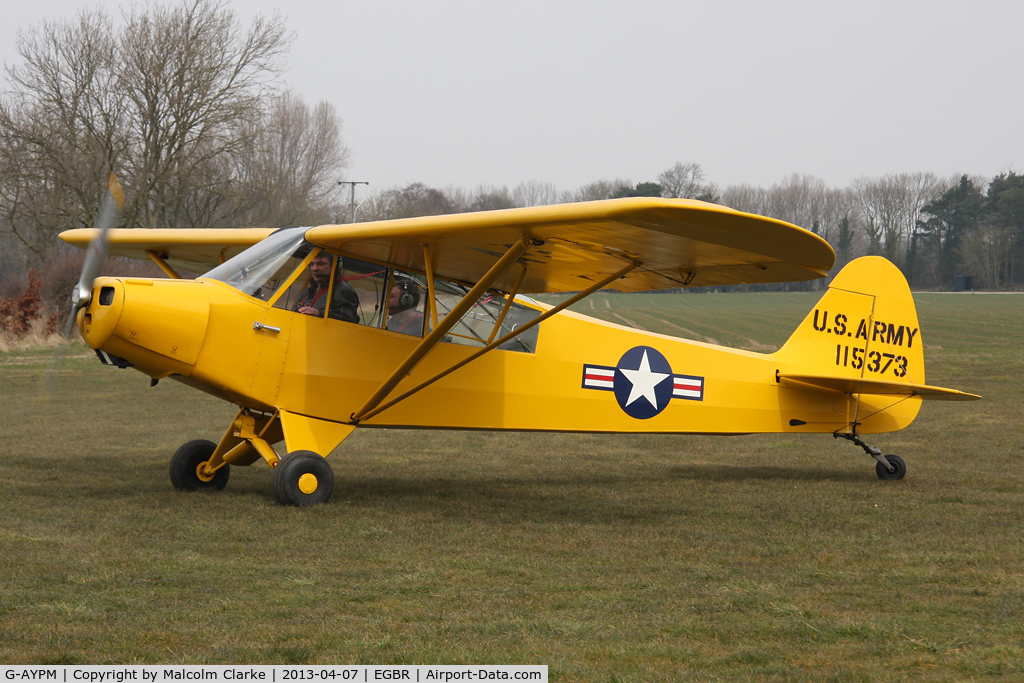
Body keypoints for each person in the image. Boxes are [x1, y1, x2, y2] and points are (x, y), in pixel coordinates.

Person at [295, 252, 359, 323]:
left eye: (321, 264)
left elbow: (350, 322)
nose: (314, 268)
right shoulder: (307, 292)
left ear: (335, 266)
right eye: (312, 264)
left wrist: (319, 313)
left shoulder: (344, 290)